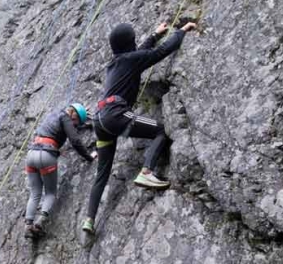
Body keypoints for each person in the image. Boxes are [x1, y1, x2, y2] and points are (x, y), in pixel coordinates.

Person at [82, 21, 198, 235]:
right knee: (161, 130)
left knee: (102, 173)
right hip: (115, 114)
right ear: (130, 43)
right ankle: (146, 171)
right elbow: (161, 52)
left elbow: (139, 53)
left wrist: (154, 34)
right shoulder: (130, 60)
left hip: (100, 120)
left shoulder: (116, 63)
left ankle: (89, 219)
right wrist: (181, 31)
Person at [24, 103, 97, 238]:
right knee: (50, 193)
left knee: (35, 192)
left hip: (31, 154)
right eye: (76, 121)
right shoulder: (66, 118)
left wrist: (83, 123)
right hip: (45, 156)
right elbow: (74, 139)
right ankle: (40, 222)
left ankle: (28, 225)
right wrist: (89, 157)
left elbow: (67, 128)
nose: (75, 124)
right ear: (73, 115)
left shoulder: (54, 114)